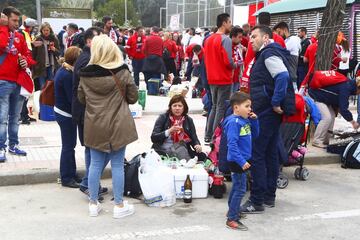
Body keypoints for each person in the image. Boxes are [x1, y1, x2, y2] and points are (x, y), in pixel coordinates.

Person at [78, 34, 138, 218]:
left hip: (95, 124)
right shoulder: (122, 72)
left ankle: (93, 204)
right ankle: (119, 206)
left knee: (95, 165)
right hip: (119, 123)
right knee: (118, 164)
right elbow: (133, 98)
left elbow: (81, 99)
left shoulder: (85, 74)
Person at [241, 25, 293, 213]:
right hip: (267, 111)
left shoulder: (269, 53)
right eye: (250, 36)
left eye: (254, 36)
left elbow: (282, 77)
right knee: (270, 153)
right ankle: (268, 196)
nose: (250, 39)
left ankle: (257, 200)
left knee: (257, 154)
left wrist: (276, 102)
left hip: (266, 112)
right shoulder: (267, 54)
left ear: (265, 38)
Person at [71, 27, 108, 199]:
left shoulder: (89, 57)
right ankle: (89, 183)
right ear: (89, 41)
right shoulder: (87, 60)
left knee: (94, 149)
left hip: (87, 111)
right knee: (93, 150)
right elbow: (91, 90)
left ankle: (93, 183)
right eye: (99, 39)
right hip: (86, 112)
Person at [0, 7, 33, 162]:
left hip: (18, 81)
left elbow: (28, 55)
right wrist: (3, 27)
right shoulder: (2, 33)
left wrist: (26, 60)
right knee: (2, 118)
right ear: (5, 19)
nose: (16, 23)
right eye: (13, 20)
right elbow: (1, 44)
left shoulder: (19, 36)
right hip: (3, 81)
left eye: (17, 20)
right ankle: (1, 147)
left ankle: (13, 144)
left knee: (15, 117)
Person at [224, 92, 259, 231]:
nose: (250, 109)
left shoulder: (245, 120)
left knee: (237, 187)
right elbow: (231, 145)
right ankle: (232, 219)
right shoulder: (234, 122)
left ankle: (232, 210)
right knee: (240, 189)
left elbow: (255, 135)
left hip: (243, 159)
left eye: (250, 106)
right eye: (247, 106)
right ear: (236, 108)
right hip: (237, 160)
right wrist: (241, 161)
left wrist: (255, 121)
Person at [204, 13, 235, 143]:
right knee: (221, 107)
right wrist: (236, 64)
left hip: (211, 77)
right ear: (224, 23)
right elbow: (228, 61)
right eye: (229, 22)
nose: (230, 25)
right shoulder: (225, 39)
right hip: (223, 77)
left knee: (214, 106)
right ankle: (215, 137)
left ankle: (208, 134)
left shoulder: (208, 39)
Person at [54, 46, 82, 188]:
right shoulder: (67, 75)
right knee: (68, 146)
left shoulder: (65, 71)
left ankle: (71, 172)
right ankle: (66, 177)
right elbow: (73, 99)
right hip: (65, 114)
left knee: (70, 145)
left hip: (63, 113)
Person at [151, 95, 206, 161]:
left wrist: (197, 145)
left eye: (180, 106)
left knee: (202, 156)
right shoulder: (163, 118)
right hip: (162, 150)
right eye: (174, 106)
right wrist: (169, 131)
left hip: (181, 149)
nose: (177, 108)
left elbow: (194, 138)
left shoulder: (188, 120)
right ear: (170, 107)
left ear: (184, 108)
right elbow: (154, 137)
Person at [309, 77, 360, 148]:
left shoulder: (348, 85)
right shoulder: (346, 87)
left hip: (324, 98)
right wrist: (353, 122)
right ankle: (317, 140)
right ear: (358, 88)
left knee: (332, 116)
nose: (358, 94)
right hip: (317, 96)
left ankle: (325, 140)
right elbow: (343, 109)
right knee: (327, 117)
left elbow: (339, 104)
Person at [32, 22, 60, 89]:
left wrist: (54, 49)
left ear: (50, 30)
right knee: (42, 85)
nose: (46, 32)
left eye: (47, 30)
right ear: (41, 30)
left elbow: (58, 53)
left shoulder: (54, 38)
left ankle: (50, 99)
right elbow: (34, 53)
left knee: (50, 84)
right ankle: (43, 99)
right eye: (44, 30)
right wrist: (34, 64)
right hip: (41, 65)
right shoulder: (38, 39)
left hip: (51, 65)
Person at [273, 22, 301, 87]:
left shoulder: (292, 40)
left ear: (285, 30)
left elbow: (279, 51)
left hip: (290, 78)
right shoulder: (286, 41)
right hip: (286, 77)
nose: (277, 35)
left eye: (279, 32)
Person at [230, 26, 244, 92]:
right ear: (233, 37)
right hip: (229, 80)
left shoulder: (238, 47)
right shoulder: (227, 47)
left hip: (237, 78)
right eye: (239, 37)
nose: (241, 39)